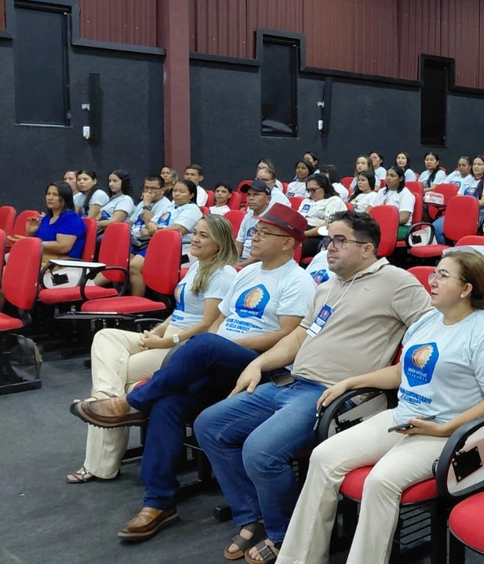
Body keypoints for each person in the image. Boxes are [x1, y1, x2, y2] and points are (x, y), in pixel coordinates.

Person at [241, 251, 484, 564]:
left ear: (467, 288)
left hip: (453, 431)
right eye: (434, 274)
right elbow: (404, 371)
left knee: (381, 481)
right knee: (325, 456)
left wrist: (444, 428)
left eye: (442, 276)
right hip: (407, 416)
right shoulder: (427, 320)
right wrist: (353, 382)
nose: (432, 282)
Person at [194, 211, 432, 564]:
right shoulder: (328, 286)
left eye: (339, 240)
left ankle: (285, 534)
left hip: (333, 395)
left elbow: (431, 334)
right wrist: (258, 363)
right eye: (326, 240)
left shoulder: (398, 283)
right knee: (209, 424)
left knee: (261, 450)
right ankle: (252, 516)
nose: (328, 248)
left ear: (367, 249)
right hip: (289, 381)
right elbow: (300, 336)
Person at [70, 205, 318, 541]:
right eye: (255, 230)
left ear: (288, 243)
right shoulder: (247, 273)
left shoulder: (297, 280)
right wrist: (214, 341)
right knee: (168, 404)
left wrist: (224, 344)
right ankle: (158, 502)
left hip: (258, 365)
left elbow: (288, 335)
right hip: (217, 362)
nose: (253, 236)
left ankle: (130, 402)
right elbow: (218, 320)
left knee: (202, 345)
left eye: (264, 233)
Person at [67, 215, 239, 485]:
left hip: (185, 347)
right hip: (168, 335)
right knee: (106, 336)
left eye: (204, 235)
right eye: (195, 232)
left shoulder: (224, 274)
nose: (194, 238)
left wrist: (165, 342)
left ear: (220, 243)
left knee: (118, 372)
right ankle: (106, 398)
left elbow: (207, 325)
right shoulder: (197, 266)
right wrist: (157, 332)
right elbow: (180, 311)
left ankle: (101, 458)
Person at [128, 179, 203, 296]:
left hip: (179, 249)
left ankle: (136, 300)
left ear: (191, 195)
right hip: (158, 245)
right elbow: (150, 222)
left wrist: (154, 231)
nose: (177, 194)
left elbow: (178, 230)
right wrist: (154, 228)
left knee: (135, 265)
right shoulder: (170, 207)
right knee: (127, 260)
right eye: (175, 191)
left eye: (182, 191)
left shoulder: (192, 209)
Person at [11, 181, 87, 265]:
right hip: (42, 257)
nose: (50, 198)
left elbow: (63, 247)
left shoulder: (71, 219)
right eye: (48, 194)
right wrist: (30, 232)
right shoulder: (47, 218)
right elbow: (37, 245)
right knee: (10, 258)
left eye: (55, 195)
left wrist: (34, 242)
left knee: (14, 265)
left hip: (61, 264)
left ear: (65, 198)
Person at [298, 173, 348, 260]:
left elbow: (329, 226)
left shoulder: (334, 200)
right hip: (300, 231)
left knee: (292, 248)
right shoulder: (306, 201)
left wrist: (304, 234)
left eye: (313, 190)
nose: (310, 193)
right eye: (308, 190)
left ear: (324, 187)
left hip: (318, 236)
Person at [127, 174, 174, 257]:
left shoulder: (166, 206)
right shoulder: (143, 202)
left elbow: (151, 228)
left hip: (149, 243)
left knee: (132, 263)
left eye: (153, 188)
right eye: (146, 188)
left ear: (162, 190)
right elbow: (130, 223)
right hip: (134, 240)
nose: (148, 191)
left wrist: (147, 205)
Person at [235, 180, 273, 267]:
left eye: (256, 194)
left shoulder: (272, 219)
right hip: (243, 260)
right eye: (249, 194)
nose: (251, 198)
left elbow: (264, 252)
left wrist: (239, 266)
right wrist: (232, 262)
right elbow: (239, 244)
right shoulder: (247, 216)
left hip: (262, 263)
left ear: (268, 199)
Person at [374, 166, 416, 241]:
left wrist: (384, 223)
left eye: (392, 176)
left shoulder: (406, 194)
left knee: (375, 235)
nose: (388, 178)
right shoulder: (381, 191)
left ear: (400, 179)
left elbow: (404, 218)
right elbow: (374, 210)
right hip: (381, 225)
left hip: (401, 227)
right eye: (387, 175)